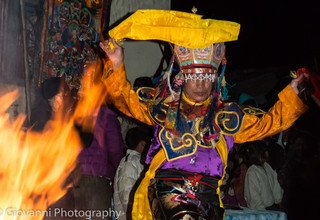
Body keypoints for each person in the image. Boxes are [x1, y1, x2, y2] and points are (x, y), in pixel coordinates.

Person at [99, 9, 310, 220]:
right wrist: (116, 64)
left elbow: (267, 124)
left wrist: (293, 93)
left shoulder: (226, 117)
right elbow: (124, 100)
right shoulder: (165, 108)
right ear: (182, 78)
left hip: (209, 199)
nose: (201, 84)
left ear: (215, 79)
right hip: (170, 194)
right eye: (194, 77)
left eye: (207, 77)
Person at [113, 125, 152, 220]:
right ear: (138, 144)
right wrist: (133, 215)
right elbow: (126, 193)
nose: (145, 147)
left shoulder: (138, 160)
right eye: (143, 144)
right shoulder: (129, 162)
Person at [243, 141, 283, 210]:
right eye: (265, 151)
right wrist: (263, 213)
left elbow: (275, 185)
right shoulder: (252, 171)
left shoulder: (267, 166)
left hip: (272, 208)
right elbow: (254, 197)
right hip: (263, 210)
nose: (267, 153)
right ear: (258, 154)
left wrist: (279, 200)